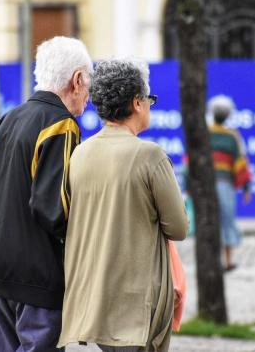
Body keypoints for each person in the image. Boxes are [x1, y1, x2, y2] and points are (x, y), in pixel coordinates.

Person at [0, 36, 93, 352]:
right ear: (77, 80)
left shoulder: (6, 121)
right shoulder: (61, 125)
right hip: (37, 275)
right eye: (88, 84)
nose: (88, 96)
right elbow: (54, 209)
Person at [57, 59, 189, 352]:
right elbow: (179, 227)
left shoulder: (80, 153)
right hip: (137, 303)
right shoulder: (150, 156)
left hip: (94, 298)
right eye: (150, 99)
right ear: (137, 102)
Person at [207, 94, 252, 271]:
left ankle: (213, 262)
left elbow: (191, 161)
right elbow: (240, 163)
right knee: (227, 221)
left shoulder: (205, 134)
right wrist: (247, 187)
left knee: (211, 223)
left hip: (207, 187)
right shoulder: (232, 137)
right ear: (227, 115)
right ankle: (227, 262)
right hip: (225, 185)